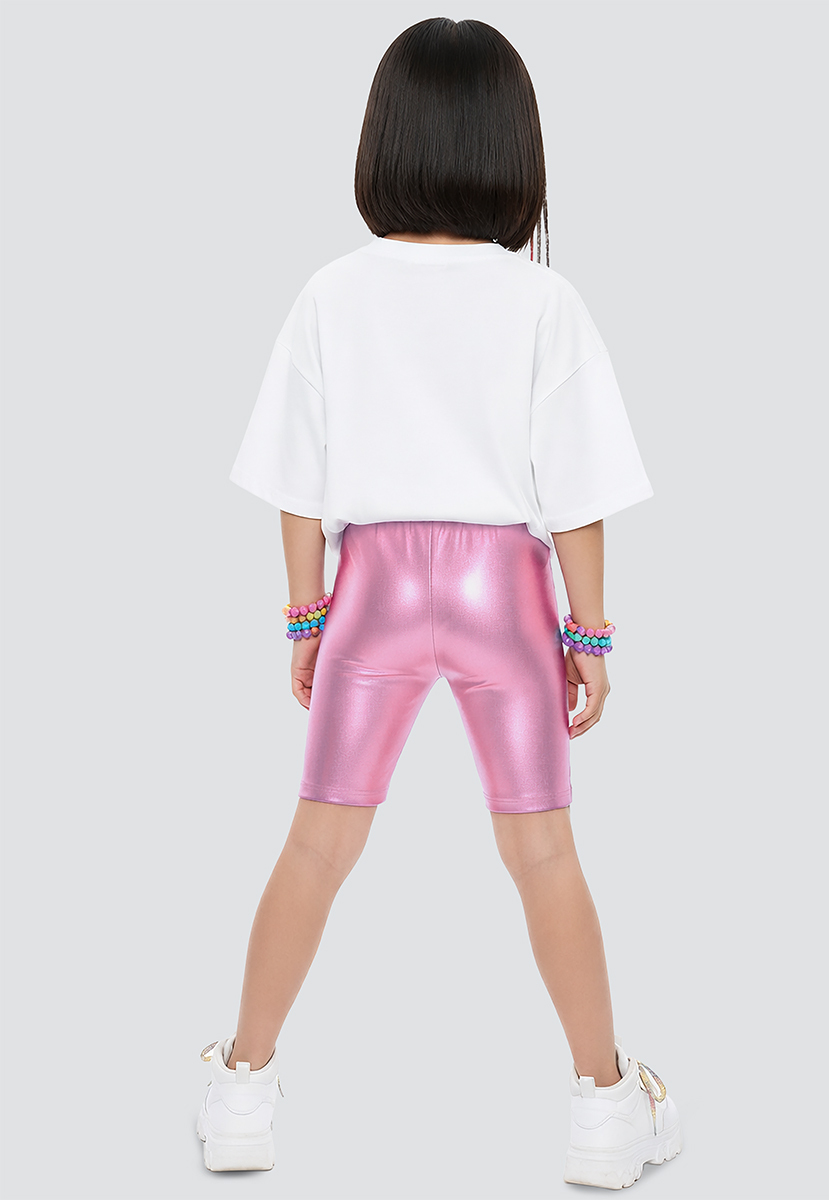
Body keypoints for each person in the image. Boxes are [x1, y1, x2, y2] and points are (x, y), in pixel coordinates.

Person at [195, 16, 683, 1189]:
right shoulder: (542, 302)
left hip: (370, 585)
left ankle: (241, 1090)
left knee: (318, 842)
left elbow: (298, 487)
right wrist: (588, 636)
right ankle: (605, 1108)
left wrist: (308, 620)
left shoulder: (331, 293)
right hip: (500, 589)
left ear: (385, 141)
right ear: (515, 148)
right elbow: (577, 495)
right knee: (543, 850)